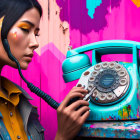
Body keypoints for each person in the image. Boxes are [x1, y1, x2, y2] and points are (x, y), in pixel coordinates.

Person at [0, 0, 90, 140]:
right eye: (24, 29)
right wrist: (62, 137)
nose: (35, 43)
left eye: (36, 34)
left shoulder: (18, 100)